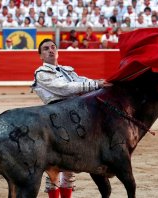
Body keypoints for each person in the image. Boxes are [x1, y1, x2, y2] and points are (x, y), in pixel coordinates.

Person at [32, 39, 110, 198]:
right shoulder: (41, 72)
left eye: (53, 47)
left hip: (75, 117)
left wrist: (99, 83)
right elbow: (63, 89)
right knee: (54, 169)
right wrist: (95, 84)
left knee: (69, 171)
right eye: (46, 49)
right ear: (40, 55)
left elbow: (80, 80)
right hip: (55, 120)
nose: (51, 50)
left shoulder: (67, 70)